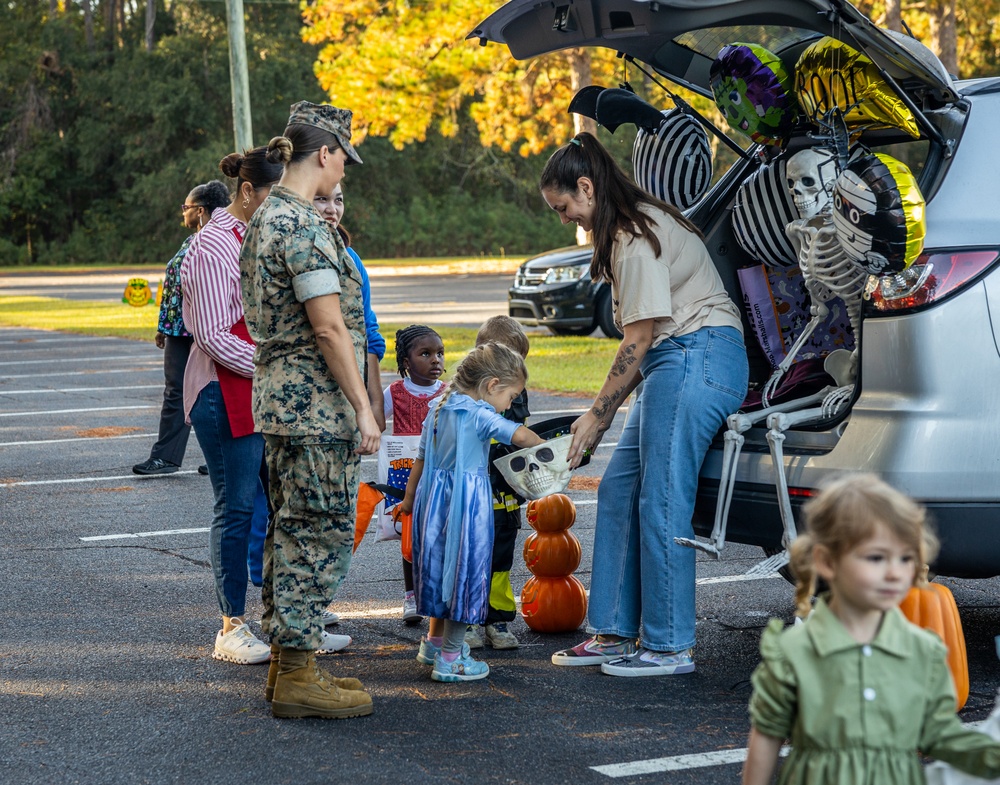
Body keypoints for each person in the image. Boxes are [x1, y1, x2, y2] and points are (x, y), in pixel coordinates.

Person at [542, 132, 749, 676]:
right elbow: (644, 349)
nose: (564, 218)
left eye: (564, 207)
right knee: (619, 490)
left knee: (660, 497)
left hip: (699, 355)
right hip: (674, 359)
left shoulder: (635, 237)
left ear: (586, 187)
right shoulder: (626, 229)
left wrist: (597, 413)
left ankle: (668, 645)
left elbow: (638, 339)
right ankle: (613, 632)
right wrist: (600, 414)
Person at [240, 101, 379, 720]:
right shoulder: (299, 224)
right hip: (314, 407)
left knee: (291, 529)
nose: (344, 173)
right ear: (325, 153)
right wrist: (365, 409)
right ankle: (297, 673)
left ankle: (288, 669)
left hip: (283, 402)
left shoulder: (267, 214)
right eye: (344, 160)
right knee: (316, 533)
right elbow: (328, 328)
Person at [741, 473, 1000, 785]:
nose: (894, 573)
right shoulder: (796, 652)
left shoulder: (922, 648)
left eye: (906, 558)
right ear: (827, 561)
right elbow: (766, 737)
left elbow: (938, 734)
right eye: (876, 557)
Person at [180, 149, 289, 667]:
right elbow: (212, 334)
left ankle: (282, 618)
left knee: (276, 504)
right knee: (238, 506)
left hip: (260, 389)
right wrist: (274, 366)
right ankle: (230, 624)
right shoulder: (209, 247)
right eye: (273, 194)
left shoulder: (258, 235)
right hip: (223, 394)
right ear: (248, 192)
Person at [396, 342, 544, 683]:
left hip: (432, 504)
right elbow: (519, 436)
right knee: (465, 575)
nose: (510, 405)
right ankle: (451, 658)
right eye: (511, 397)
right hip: (466, 507)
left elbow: (419, 461)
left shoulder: (438, 407)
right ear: (492, 385)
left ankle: (434, 643)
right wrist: (556, 450)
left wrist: (407, 502)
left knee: (438, 573)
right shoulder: (479, 414)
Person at [313, 182, 388, 628]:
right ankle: (301, 616)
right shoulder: (299, 251)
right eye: (322, 199)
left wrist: (374, 402)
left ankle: (318, 604)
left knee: (339, 509)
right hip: (315, 404)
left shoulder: (350, 257)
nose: (332, 208)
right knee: (313, 510)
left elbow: (369, 333)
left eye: (339, 199)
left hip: (350, 403)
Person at [133, 180, 229, 476]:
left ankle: (221, 457)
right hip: (178, 331)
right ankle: (167, 457)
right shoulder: (192, 241)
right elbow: (175, 288)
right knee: (177, 391)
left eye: (186, 207)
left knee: (217, 392)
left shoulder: (218, 240)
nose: (182, 213)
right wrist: (164, 326)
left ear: (200, 210)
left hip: (206, 331)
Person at [464, 315, 531, 651]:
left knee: (501, 558)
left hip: (505, 495)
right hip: (473, 493)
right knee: (470, 555)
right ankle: (467, 621)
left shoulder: (517, 395)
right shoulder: (465, 398)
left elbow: (522, 437)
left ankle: (497, 619)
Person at [381, 324, 447, 624]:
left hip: (438, 474)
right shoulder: (394, 392)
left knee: (438, 534)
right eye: (426, 354)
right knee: (408, 535)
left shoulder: (449, 393)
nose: (436, 360)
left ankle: (436, 592)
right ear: (406, 362)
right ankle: (411, 595)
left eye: (440, 353)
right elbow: (375, 420)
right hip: (405, 476)